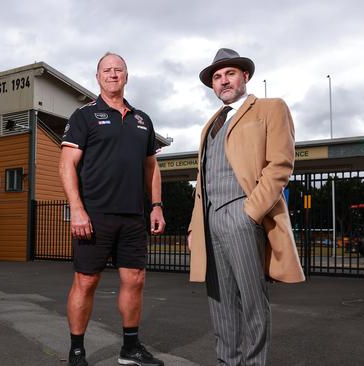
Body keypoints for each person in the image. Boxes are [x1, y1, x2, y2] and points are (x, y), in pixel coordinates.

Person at [187, 48, 305, 365]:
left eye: (230, 73)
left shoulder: (270, 108)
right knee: (220, 303)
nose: (223, 81)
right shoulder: (209, 124)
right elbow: (204, 181)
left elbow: (280, 165)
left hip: (242, 213)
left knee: (252, 302)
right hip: (210, 222)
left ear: (245, 76)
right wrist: (194, 227)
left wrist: (249, 213)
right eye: (217, 76)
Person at [59, 52, 166, 366]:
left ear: (127, 75)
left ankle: (130, 349)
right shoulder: (84, 116)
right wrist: (77, 209)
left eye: (119, 69)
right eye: (107, 70)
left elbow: (152, 168)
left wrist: (156, 206)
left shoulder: (142, 119)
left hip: (133, 216)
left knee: (135, 280)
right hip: (94, 215)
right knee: (86, 281)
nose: (113, 74)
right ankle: (77, 352)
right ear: (98, 77)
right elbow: (66, 165)